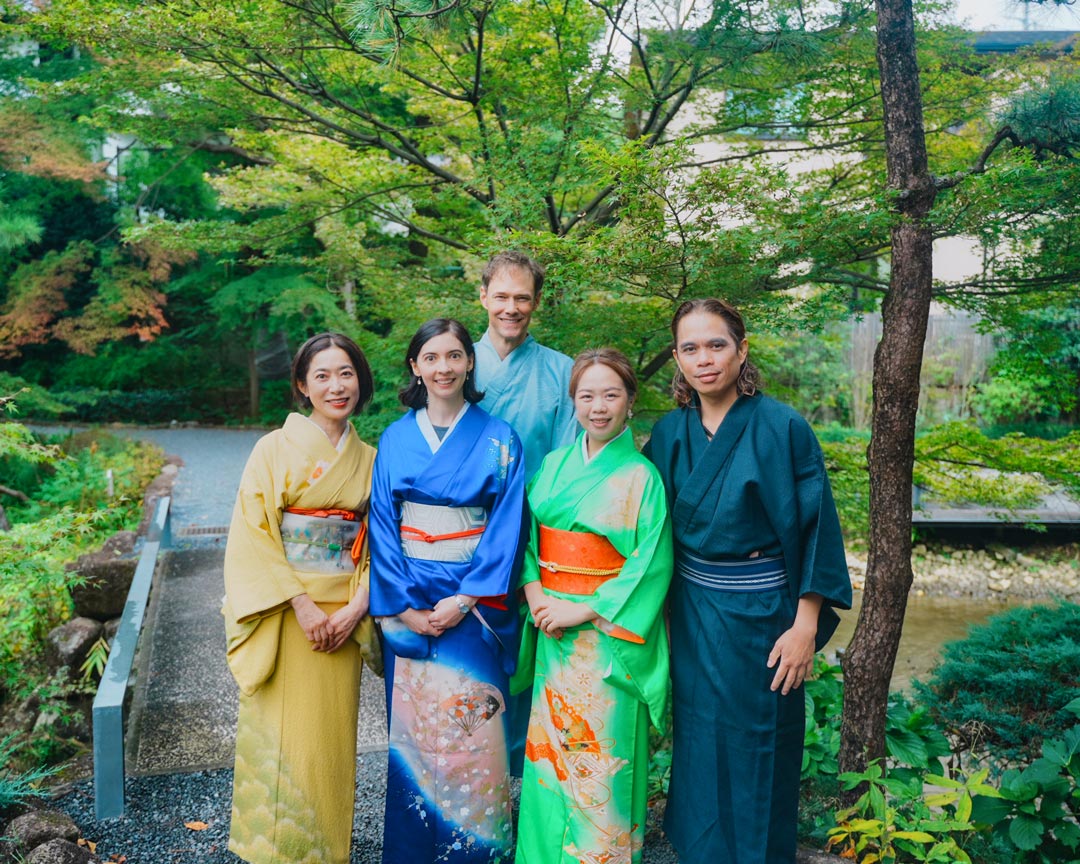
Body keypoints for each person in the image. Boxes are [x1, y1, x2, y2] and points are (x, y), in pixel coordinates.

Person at [644, 299, 852, 864]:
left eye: (717, 345)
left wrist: (805, 625)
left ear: (742, 349)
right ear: (678, 360)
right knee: (697, 747)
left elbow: (816, 531)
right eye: (690, 348)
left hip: (766, 619)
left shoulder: (783, 426)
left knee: (760, 749)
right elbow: (644, 530)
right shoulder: (668, 433)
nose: (704, 359)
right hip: (691, 612)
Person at [369, 318, 526, 864]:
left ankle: (474, 851)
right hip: (409, 598)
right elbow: (383, 527)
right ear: (415, 366)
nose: (444, 367)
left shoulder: (501, 438)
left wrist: (465, 599)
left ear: (468, 364)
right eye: (431, 357)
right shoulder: (394, 438)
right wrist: (406, 607)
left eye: (454, 356)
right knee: (412, 738)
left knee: (473, 734)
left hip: (473, 605)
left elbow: (508, 526)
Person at [222, 332, 382, 864]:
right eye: (322, 376)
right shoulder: (272, 449)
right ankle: (272, 850)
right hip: (287, 613)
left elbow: (379, 544)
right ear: (302, 386)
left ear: (360, 380)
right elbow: (255, 533)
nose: (337, 386)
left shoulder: (372, 458)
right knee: (280, 736)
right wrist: (302, 604)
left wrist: (357, 607)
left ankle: (326, 850)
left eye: (346, 373)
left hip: (345, 615)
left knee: (328, 744)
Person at [512, 349, 673, 864]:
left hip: (604, 640)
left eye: (611, 395)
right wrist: (536, 595)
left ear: (631, 401)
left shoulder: (642, 476)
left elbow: (650, 564)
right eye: (586, 396)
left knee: (600, 762)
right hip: (551, 634)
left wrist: (581, 610)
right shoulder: (554, 465)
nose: (598, 407)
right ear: (572, 402)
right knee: (547, 760)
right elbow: (527, 540)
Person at [473, 250, 578, 482]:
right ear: (484, 297)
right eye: (501, 297)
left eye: (521, 298)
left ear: (537, 301)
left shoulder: (563, 372)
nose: (511, 308)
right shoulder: (456, 365)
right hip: (459, 512)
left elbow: (567, 462)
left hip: (531, 511)